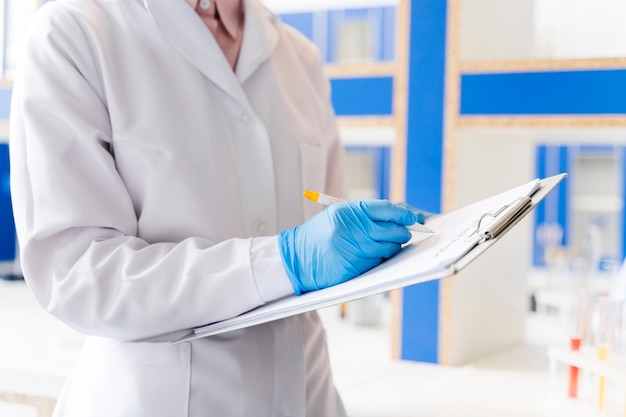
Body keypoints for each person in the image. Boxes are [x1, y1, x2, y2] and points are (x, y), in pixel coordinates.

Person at [9, 0, 418, 416]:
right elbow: (78, 275)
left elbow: (327, 234)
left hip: (307, 395)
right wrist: (283, 261)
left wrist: (387, 248)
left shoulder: (301, 57)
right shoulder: (74, 32)